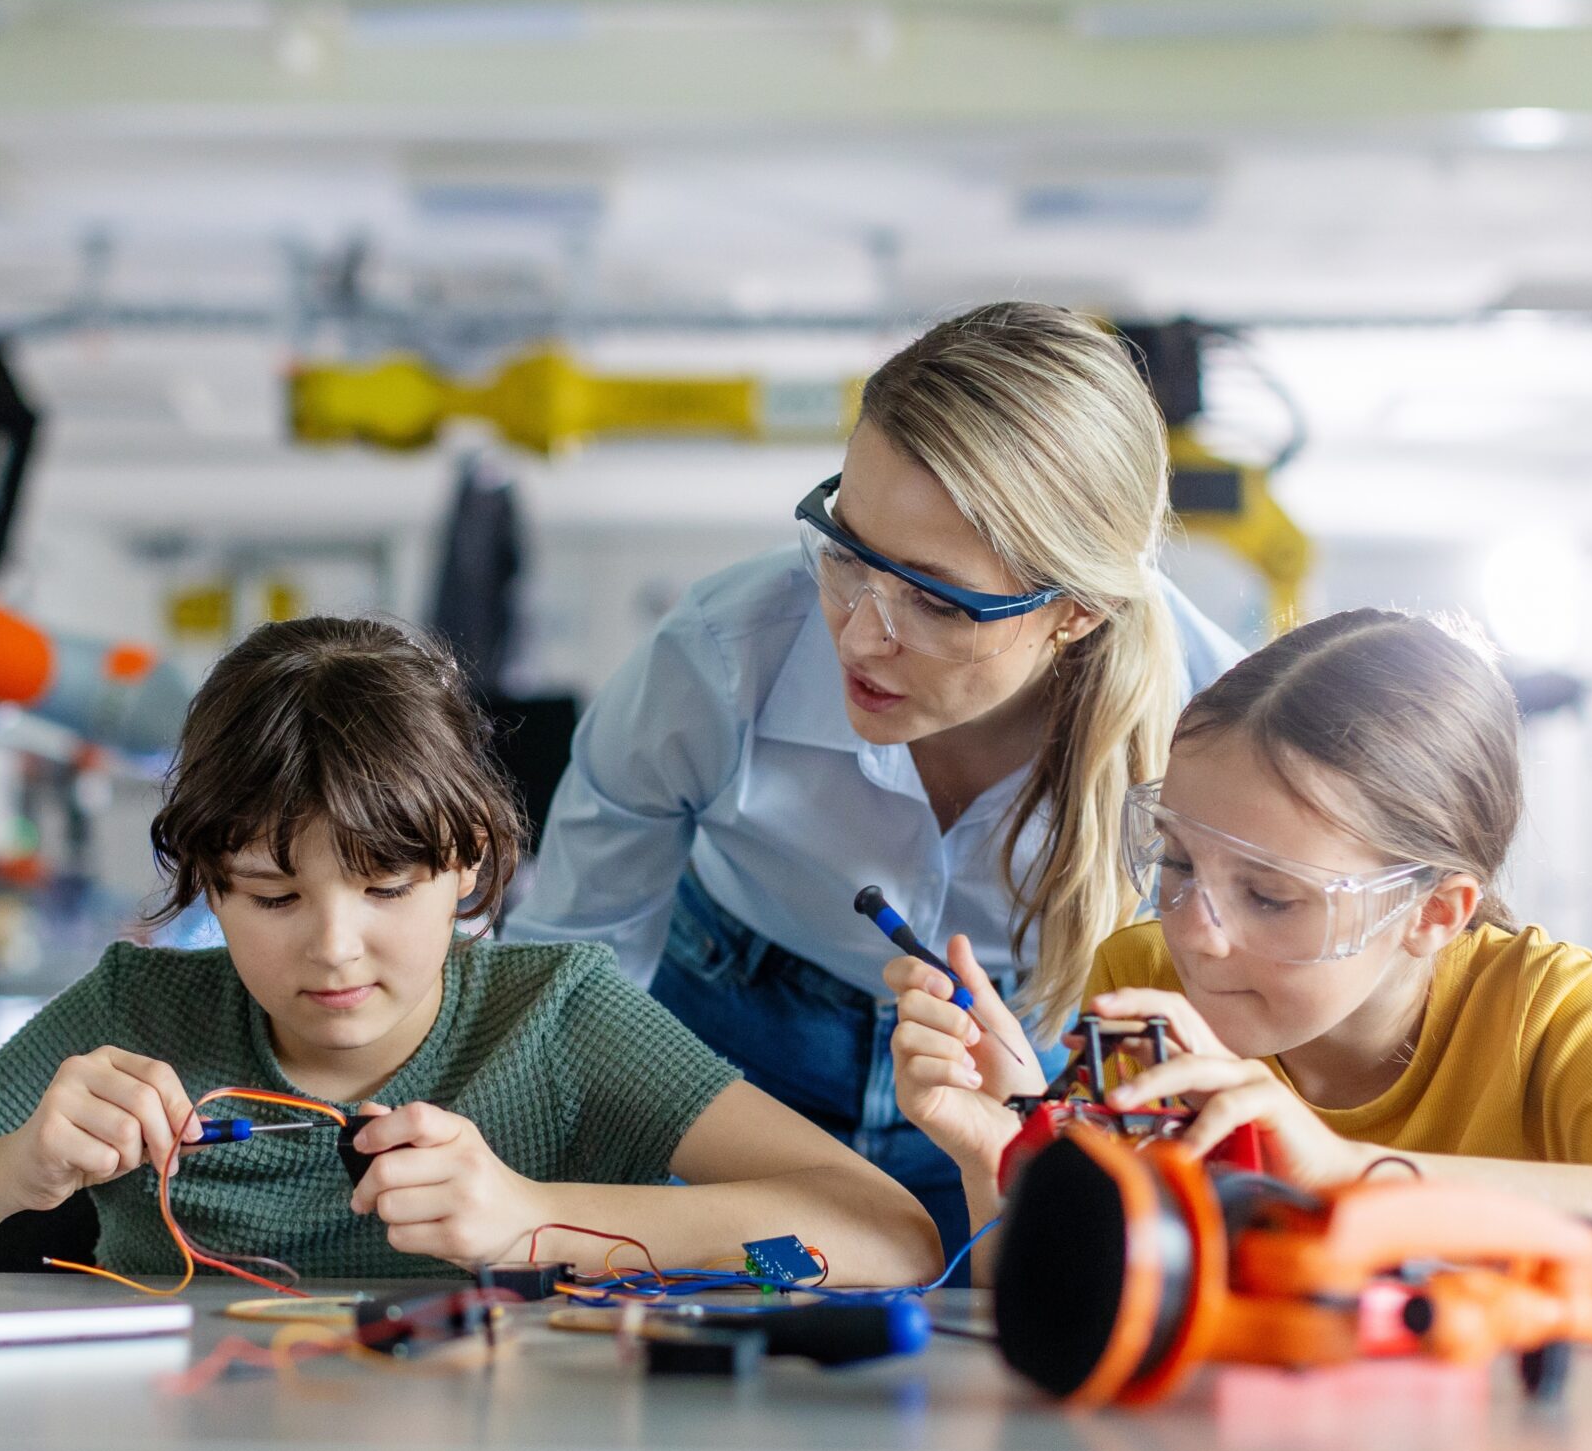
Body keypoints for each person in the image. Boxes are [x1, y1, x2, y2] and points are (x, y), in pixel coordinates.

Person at [0, 617, 939, 1284]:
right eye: (270, 895)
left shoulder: (561, 1015)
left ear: (473, 863)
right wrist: (12, 1172)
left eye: (385, 886)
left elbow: (890, 1232)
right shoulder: (136, 1006)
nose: (333, 948)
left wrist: (528, 1218)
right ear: (206, 889)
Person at [510, 302, 1240, 1256]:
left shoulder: (1214, 729)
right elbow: (571, 972)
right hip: (725, 1042)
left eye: (936, 600)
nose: (855, 634)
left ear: (1077, 613)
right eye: (846, 551)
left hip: (1013, 1069)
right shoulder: (720, 657)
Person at [887, 608, 1592, 1320]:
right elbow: (1082, 1313)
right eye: (1177, 865)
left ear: (1432, 910)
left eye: (1272, 896)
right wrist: (1005, 1159)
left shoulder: (1546, 1009)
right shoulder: (1149, 981)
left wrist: (1349, 1171)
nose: (1199, 932)